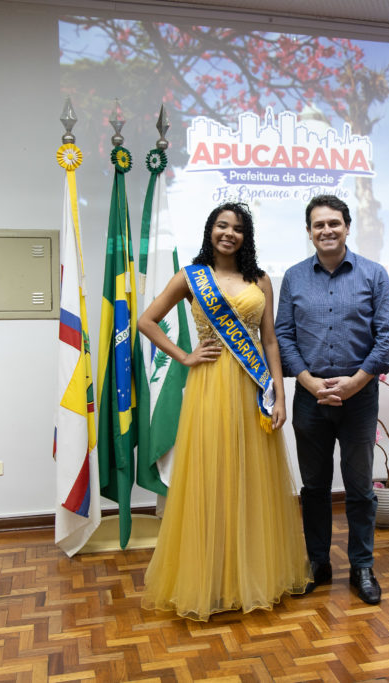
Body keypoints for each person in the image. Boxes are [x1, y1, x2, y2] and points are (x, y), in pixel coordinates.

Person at [138, 202, 311, 621]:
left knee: (252, 479)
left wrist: (281, 396)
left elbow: (269, 341)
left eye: (237, 228)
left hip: (252, 389)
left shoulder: (261, 280)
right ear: (210, 230)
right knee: (210, 476)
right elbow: (147, 320)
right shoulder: (191, 277)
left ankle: (250, 575)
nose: (229, 233)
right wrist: (184, 356)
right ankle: (210, 578)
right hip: (209, 388)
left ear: (246, 236)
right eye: (222, 225)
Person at [275, 194, 389, 605]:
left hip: (359, 398)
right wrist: (310, 383)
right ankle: (318, 564)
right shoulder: (294, 278)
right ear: (309, 232)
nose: (326, 230)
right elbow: (284, 337)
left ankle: (362, 567)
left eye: (334, 223)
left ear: (347, 226)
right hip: (310, 398)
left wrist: (356, 382)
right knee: (313, 488)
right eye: (318, 225)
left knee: (361, 487)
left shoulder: (373, 275)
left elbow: (388, 338)